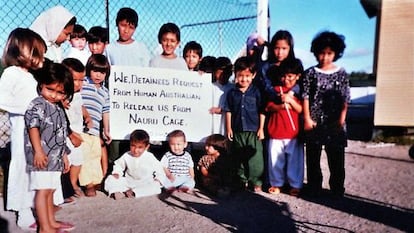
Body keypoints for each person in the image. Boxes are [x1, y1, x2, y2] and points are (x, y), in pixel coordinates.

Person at [0, 28, 46, 231]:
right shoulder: (11, 73)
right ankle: (23, 211)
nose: (39, 58)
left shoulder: (31, 76)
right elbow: (2, 100)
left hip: (35, 131)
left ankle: (36, 204)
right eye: (36, 53)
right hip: (21, 131)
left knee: (35, 169)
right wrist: (27, 110)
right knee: (22, 167)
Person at [24, 61, 75, 233]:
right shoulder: (37, 104)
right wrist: (38, 151)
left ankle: (51, 222)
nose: (54, 95)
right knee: (43, 191)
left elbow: (60, 134)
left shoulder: (58, 108)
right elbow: (33, 128)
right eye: (50, 89)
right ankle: (44, 227)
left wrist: (64, 155)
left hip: (55, 157)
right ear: (41, 86)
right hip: (42, 156)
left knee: (51, 190)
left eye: (60, 92)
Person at [302, 31, 349, 197]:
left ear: (336, 53)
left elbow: (345, 98)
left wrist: (341, 120)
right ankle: (315, 187)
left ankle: (337, 189)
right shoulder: (310, 73)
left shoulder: (341, 73)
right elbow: (306, 96)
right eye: (322, 53)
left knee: (336, 157)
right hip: (314, 122)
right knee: (313, 157)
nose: (325, 57)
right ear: (316, 52)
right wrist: (307, 118)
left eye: (329, 53)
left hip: (334, 122)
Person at [224, 56, 265, 192]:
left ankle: (256, 181)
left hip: (253, 131)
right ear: (235, 75)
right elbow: (228, 111)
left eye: (247, 76)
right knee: (239, 158)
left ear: (253, 75)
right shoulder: (232, 93)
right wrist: (229, 128)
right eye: (240, 75)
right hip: (237, 131)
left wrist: (261, 129)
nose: (244, 79)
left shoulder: (256, 92)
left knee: (256, 159)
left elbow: (262, 111)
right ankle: (242, 180)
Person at [266, 58, 304, 197]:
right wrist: (281, 105)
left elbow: (301, 109)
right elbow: (269, 107)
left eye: (290, 76)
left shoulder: (298, 92)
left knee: (295, 161)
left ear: (297, 76)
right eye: (283, 76)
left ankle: (295, 185)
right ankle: (276, 183)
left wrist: (290, 100)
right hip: (276, 131)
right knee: (275, 160)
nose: (286, 79)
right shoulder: (276, 90)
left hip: (293, 133)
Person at [79, 54, 112, 197]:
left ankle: (96, 180)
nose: (98, 75)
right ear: (88, 70)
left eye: (102, 72)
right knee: (85, 157)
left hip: (95, 130)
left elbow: (105, 112)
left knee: (95, 156)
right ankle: (88, 185)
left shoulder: (105, 92)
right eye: (95, 71)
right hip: (81, 129)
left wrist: (106, 130)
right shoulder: (83, 84)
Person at [104, 129, 166, 199]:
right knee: (111, 178)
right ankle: (116, 192)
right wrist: (117, 173)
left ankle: (134, 192)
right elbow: (118, 165)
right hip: (129, 182)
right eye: (133, 146)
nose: (136, 150)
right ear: (130, 144)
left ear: (146, 147)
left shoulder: (150, 157)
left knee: (156, 187)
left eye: (140, 147)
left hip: (145, 183)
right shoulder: (127, 155)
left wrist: (158, 179)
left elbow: (160, 170)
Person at [61, 58, 92, 200]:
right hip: (67, 135)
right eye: (75, 80)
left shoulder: (78, 94)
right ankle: (65, 188)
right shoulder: (62, 96)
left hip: (78, 133)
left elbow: (80, 106)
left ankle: (73, 184)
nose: (78, 84)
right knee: (65, 163)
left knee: (78, 161)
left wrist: (87, 116)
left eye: (81, 80)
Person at [210, 57, 233, 135]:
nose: (222, 75)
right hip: (211, 122)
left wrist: (222, 110)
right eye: (219, 72)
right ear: (214, 72)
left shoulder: (233, 88)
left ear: (230, 73)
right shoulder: (210, 86)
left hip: (226, 124)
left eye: (225, 73)